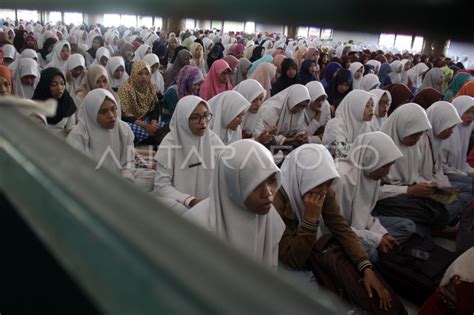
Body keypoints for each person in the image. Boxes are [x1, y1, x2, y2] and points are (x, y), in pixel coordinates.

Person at [274, 144, 396, 312]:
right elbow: (294, 261)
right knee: (308, 283)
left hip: (316, 247)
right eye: (318, 185)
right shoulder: (278, 203)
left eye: (329, 184)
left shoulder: (324, 192)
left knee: (367, 255)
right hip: (288, 259)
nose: (324, 191)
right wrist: (310, 219)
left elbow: (341, 228)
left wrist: (366, 268)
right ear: (302, 179)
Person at [184, 140, 285, 270]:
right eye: (255, 185)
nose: (268, 194)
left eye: (272, 180)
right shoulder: (196, 227)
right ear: (232, 186)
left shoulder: (270, 218)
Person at [333, 132, 416, 262]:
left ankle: (377, 251)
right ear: (369, 158)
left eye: (390, 166)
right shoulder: (342, 180)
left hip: (358, 229)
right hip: (340, 233)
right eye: (385, 166)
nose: (387, 172)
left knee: (407, 226)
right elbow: (337, 228)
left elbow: (365, 215)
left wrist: (382, 233)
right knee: (371, 252)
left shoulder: (371, 174)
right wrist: (375, 238)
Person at [153, 95, 224, 214]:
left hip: (208, 203)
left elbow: (227, 169)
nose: (203, 122)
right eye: (195, 117)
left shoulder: (212, 139)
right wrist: (190, 200)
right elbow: (161, 186)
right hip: (181, 202)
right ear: (183, 119)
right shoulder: (170, 142)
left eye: (206, 116)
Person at [118, 61, 160, 145]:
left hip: (146, 119)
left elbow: (154, 107)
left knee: (163, 128)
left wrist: (153, 123)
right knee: (136, 131)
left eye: (147, 74)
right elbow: (125, 115)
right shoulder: (125, 89)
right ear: (134, 74)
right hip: (131, 122)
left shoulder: (150, 87)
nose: (144, 77)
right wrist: (146, 126)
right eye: (140, 74)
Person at [322, 90, 375, 155]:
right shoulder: (335, 124)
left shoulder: (367, 125)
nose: (372, 109)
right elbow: (339, 151)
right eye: (367, 106)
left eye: (372, 105)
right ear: (355, 107)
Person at [32, 67, 76, 136]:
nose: (59, 88)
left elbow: (71, 130)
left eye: (62, 83)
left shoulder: (67, 103)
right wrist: (62, 133)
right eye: (54, 85)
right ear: (45, 86)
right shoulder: (35, 106)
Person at [443, 96, 474, 177]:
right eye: (466, 112)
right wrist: (465, 174)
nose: (471, 116)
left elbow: (462, 164)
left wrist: (470, 171)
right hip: (445, 175)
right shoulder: (447, 132)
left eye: (473, 113)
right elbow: (442, 168)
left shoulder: (466, 130)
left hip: (456, 173)